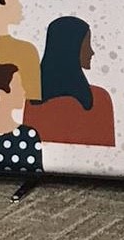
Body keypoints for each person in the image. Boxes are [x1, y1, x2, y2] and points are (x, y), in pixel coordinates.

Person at [22, 16, 116, 146]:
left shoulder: (33, 101)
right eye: (86, 44)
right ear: (72, 47)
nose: (92, 52)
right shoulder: (99, 99)